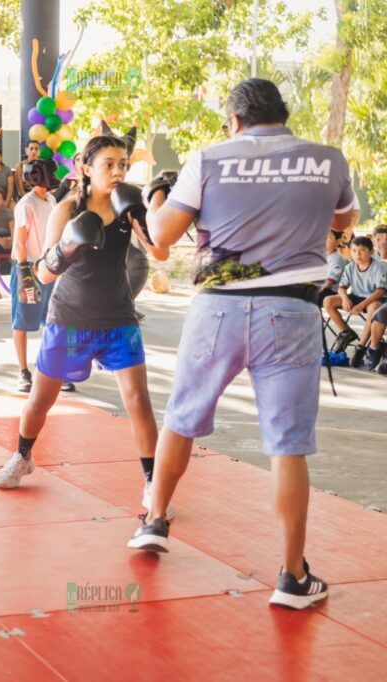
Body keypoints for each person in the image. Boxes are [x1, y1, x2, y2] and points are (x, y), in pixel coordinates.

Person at [128, 79, 358, 610]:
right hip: (293, 311)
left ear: (233, 120)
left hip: (217, 310)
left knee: (182, 418)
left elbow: (161, 236)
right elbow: (344, 222)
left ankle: (154, 521)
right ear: (282, 113)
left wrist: (156, 198)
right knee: (288, 443)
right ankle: (292, 577)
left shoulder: (209, 159)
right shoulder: (328, 159)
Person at [0, 136, 170, 518]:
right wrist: (66, 248)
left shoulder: (127, 207)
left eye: (123, 163)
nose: (118, 171)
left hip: (117, 318)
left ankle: (152, 480)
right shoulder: (67, 209)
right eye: (108, 163)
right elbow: (41, 273)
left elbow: (160, 252)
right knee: (41, 400)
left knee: (139, 401)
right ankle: (23, 456)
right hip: (69, 318)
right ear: (85, 168)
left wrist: (148, 213)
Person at [10, 159, 58, 393]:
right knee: (22, 320)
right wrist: (24, 273)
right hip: (28, 268)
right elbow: (19, 242)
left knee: (50, 319)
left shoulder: (51, 200)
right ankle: (23, 371)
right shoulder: (25, 205)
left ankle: (49, 370)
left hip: (47, 267)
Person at [323, 236, 386, 366]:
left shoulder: (378, 267)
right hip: (356, 296)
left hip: (374, 298)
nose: (357, 254)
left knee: (374, 307)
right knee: (328, 301)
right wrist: (345, 298)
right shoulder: (350, 267)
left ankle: (361, 347)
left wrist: (361, 305)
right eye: (354, 250)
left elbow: (379, 292)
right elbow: (341, 287)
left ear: (371, 252)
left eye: (362, 250)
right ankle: (346, 332)